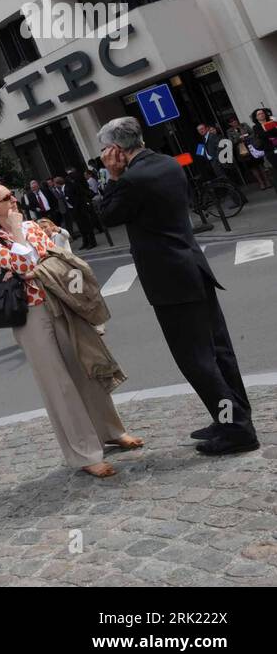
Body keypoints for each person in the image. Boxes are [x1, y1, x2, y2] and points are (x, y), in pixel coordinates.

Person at [96, 117, 258, 455]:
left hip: (170, 280)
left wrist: (112, 177)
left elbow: (107, 215)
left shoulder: (130, 180)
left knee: (197, 360)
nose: (103, 157)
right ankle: (232, 415)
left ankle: (237, 429)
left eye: (105, 151)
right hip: (194, 268)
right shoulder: (169, 163)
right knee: (219, 351)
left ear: (117, 149)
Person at [0, 180, 142, 477]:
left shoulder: (32, 227)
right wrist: (20, 247)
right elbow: (27, 267)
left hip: (61, 302)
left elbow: (56, 259)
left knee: (85, 368)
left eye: (13, 194)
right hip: (32, 315)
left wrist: (25, 261)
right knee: (59, 384)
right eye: (6, 198)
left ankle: (111, 430)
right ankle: (84, 453)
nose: (14, 200)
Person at [60, 168, 99, 250]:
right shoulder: (70, 181)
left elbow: (78, 193)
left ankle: (91, 242)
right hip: (75, 208)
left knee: (86, 224)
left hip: (79, 206)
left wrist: (75, 204)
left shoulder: (74, 180)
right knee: (81, 226)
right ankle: (86, 241)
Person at [227, 116, 269, 189]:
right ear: (230, 124)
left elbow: (252, 133)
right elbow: (231, 141)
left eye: (235, 120)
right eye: (232, 122)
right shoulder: (229, 131)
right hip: (244, 150)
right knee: (252, 167)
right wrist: (239, 139)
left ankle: (267, 181)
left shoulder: (244, 125)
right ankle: (261, 183)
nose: (234, 122)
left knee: (260, 164)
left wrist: (246, 137)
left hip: (253, 146)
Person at [251, 108, 277, 187]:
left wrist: (268, 132)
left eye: (262, 113)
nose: (261, 114)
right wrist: (273, 130)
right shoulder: (256, 127)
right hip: (270, 150)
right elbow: (262, 135)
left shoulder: (272, 121)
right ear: (256, 117)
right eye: (259, 114)